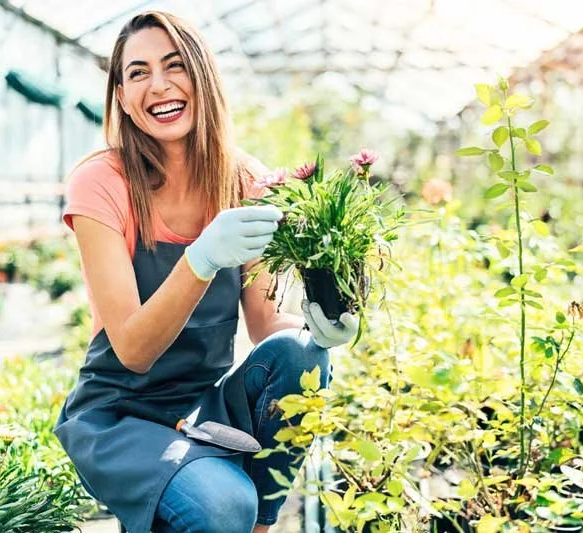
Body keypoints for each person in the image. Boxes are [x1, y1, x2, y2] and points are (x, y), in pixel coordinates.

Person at [54, 11, 360, 533]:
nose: (159, 85)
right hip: (119, 415)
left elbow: (267, 325)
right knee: (220, 506)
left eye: (175, 66)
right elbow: (132, 349)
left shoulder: (244, 179)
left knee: (299, 357)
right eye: (137, 73)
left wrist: (322, 329)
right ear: (122, 96)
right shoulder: (101, 182)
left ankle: (256, 526)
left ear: (203, 77)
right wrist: (201, 257)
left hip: (202, 407)